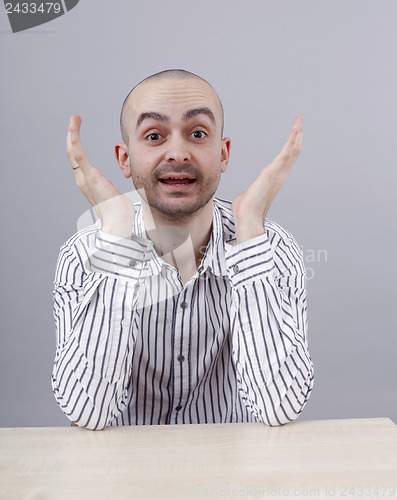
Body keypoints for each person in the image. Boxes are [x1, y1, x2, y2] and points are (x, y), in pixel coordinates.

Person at [52, 69, 314, 430]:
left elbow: (278, 408)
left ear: (223, 154)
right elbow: (88, 413)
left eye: (197, 133)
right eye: (155, 135)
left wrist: (250, 227)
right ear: (125, 159)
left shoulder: (275, 250)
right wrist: (116, 232)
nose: (177, 153)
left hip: (233, 476)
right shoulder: (83, 256)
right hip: (122, 476)